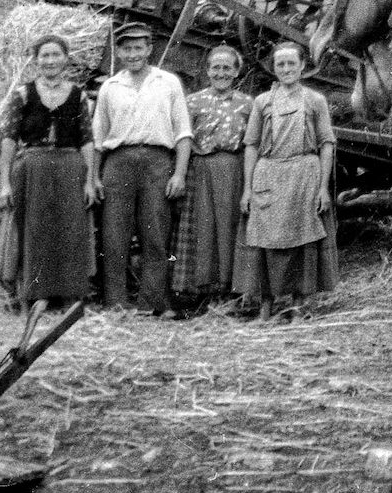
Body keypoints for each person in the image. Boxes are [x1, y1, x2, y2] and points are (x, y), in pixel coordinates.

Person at [92, 22, 192, 315]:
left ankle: (153, 302)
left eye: (139, 48)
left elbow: (183, 133)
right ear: (119, 52)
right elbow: (99, 137)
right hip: (118, 163)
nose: (133, 54)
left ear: (149, 49)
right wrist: (95, 177)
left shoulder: (168, 82)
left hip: (157, 162)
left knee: (155, 235)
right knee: (114, 236)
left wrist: (179, 173)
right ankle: (116, 303)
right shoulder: (110, 87)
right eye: (126, 48)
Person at [236, 41, 338, 320]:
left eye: (291, 63)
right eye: (280, 64)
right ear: (274, 67)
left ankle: (297, 307)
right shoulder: (262, 102)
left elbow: (326, 143)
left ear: (302, 66)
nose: (286, 69)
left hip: (304, 174)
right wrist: (247, 188)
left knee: (302, 243)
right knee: (266, 240)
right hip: (268, 174)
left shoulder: (315, 100)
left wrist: (322, 188)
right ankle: (266, 307)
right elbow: (252, 145)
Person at [0, 35, 99, 306]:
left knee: (70, 230)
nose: (51, 60)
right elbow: (8, 139)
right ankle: (34, 295)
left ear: (66, 59)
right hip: (33, 169)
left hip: (69, 169)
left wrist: (90, 181)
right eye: (45, 55)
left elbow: (87, 140)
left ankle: (68, 296)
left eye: (56, 55)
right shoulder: (22, 94)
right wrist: (4, 183)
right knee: (34, 230)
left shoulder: (78, 96)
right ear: (36, 60)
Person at [171, 45, 252, 307]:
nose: (221, 73)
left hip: (233, 170)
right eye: (215, 68)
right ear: (207, 71)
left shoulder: (247, 104)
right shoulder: (192, 102)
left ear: (237, 71)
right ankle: (200, 292)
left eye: (227, 68)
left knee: (230, 228)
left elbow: (253, 143)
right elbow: (181, 138)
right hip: (201, 171)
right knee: (203, 228)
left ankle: (232, 290)